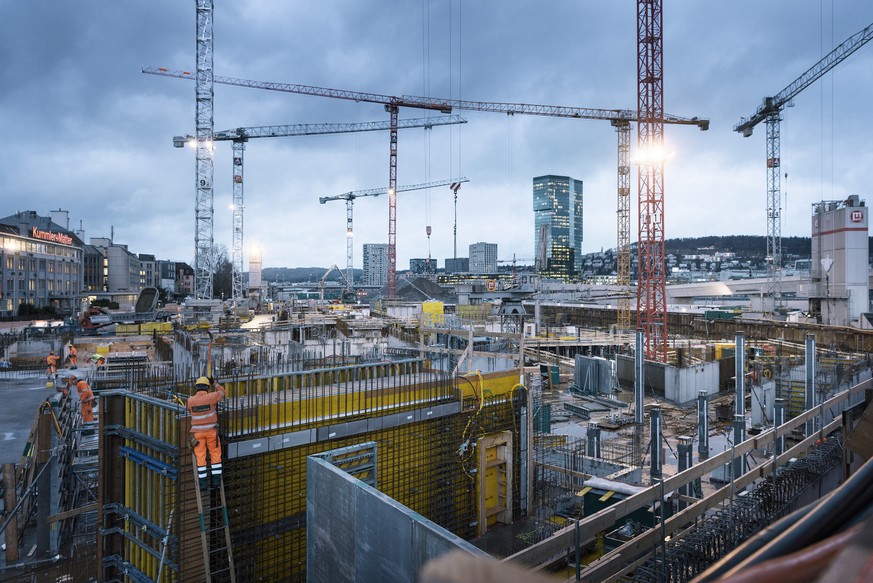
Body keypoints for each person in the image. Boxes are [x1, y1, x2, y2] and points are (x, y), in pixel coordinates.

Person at [187, 376, 225, 489]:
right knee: (215, 454)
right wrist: (215, 383)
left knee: (200, 457)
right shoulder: (211, 397)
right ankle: (216, 482)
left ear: (197, 387)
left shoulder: (190, 400)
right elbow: (222, 392)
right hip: (211, 432)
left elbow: (190, 410)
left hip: (197, 434)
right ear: (207, 387)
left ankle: (203, 484)